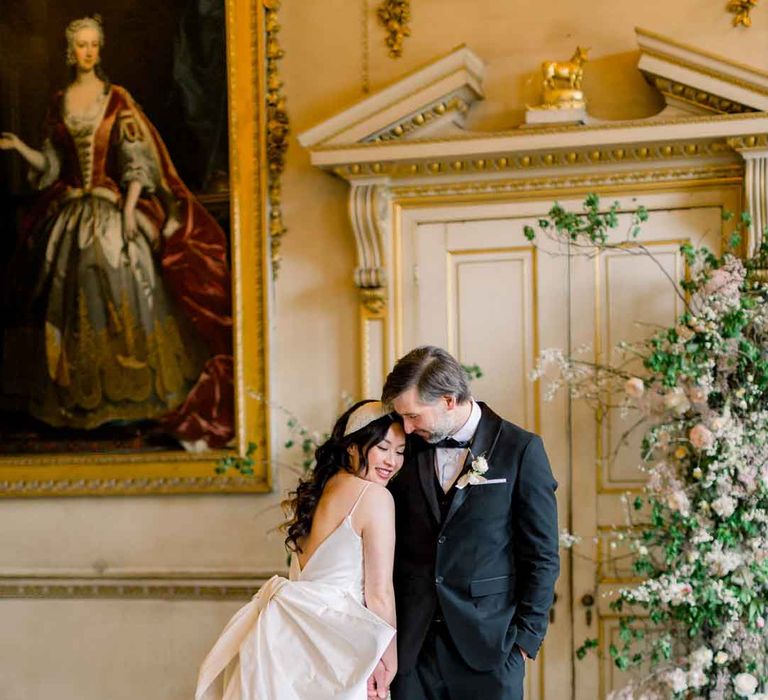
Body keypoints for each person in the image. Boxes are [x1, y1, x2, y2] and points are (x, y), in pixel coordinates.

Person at [0, 16, 233, 449]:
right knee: (58, 291)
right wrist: (21, 150)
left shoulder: (116, 99)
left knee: (118, 284)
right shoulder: (59, 102)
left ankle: (128, 402)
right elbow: (51, 166)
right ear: (71, 52)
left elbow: (136, 161)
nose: (87, 52)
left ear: (99, 50)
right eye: (80, 46)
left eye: (93, 45)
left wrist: (128, 211)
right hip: (69, 212)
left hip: (111, 212)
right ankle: (71, 401)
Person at [382, 346, 560, 700]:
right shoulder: (403, 448)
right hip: (412, 650)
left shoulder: (520, 449)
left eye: (414, 415)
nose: (406, 426)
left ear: (449, 400)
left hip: (490, 648)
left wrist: (526, 639)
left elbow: (542, 554)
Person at [195, 400, 404, 700]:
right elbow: (379, 593)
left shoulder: (321, 491)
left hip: (289, 639)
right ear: (353, 447)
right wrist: (389, 660)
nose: (392, 462)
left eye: (400, 451)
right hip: (339, 645)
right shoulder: (375, 497)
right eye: (382, 448)